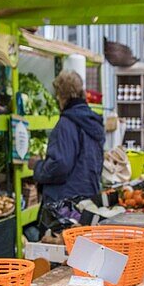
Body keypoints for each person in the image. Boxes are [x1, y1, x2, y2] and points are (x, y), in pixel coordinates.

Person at [29, 70, 104, 202]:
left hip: (65, 203)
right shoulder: (93, 121)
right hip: (88, 198)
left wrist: (37, 166)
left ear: (61, 96)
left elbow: (60, 166)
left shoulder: (67, 123)